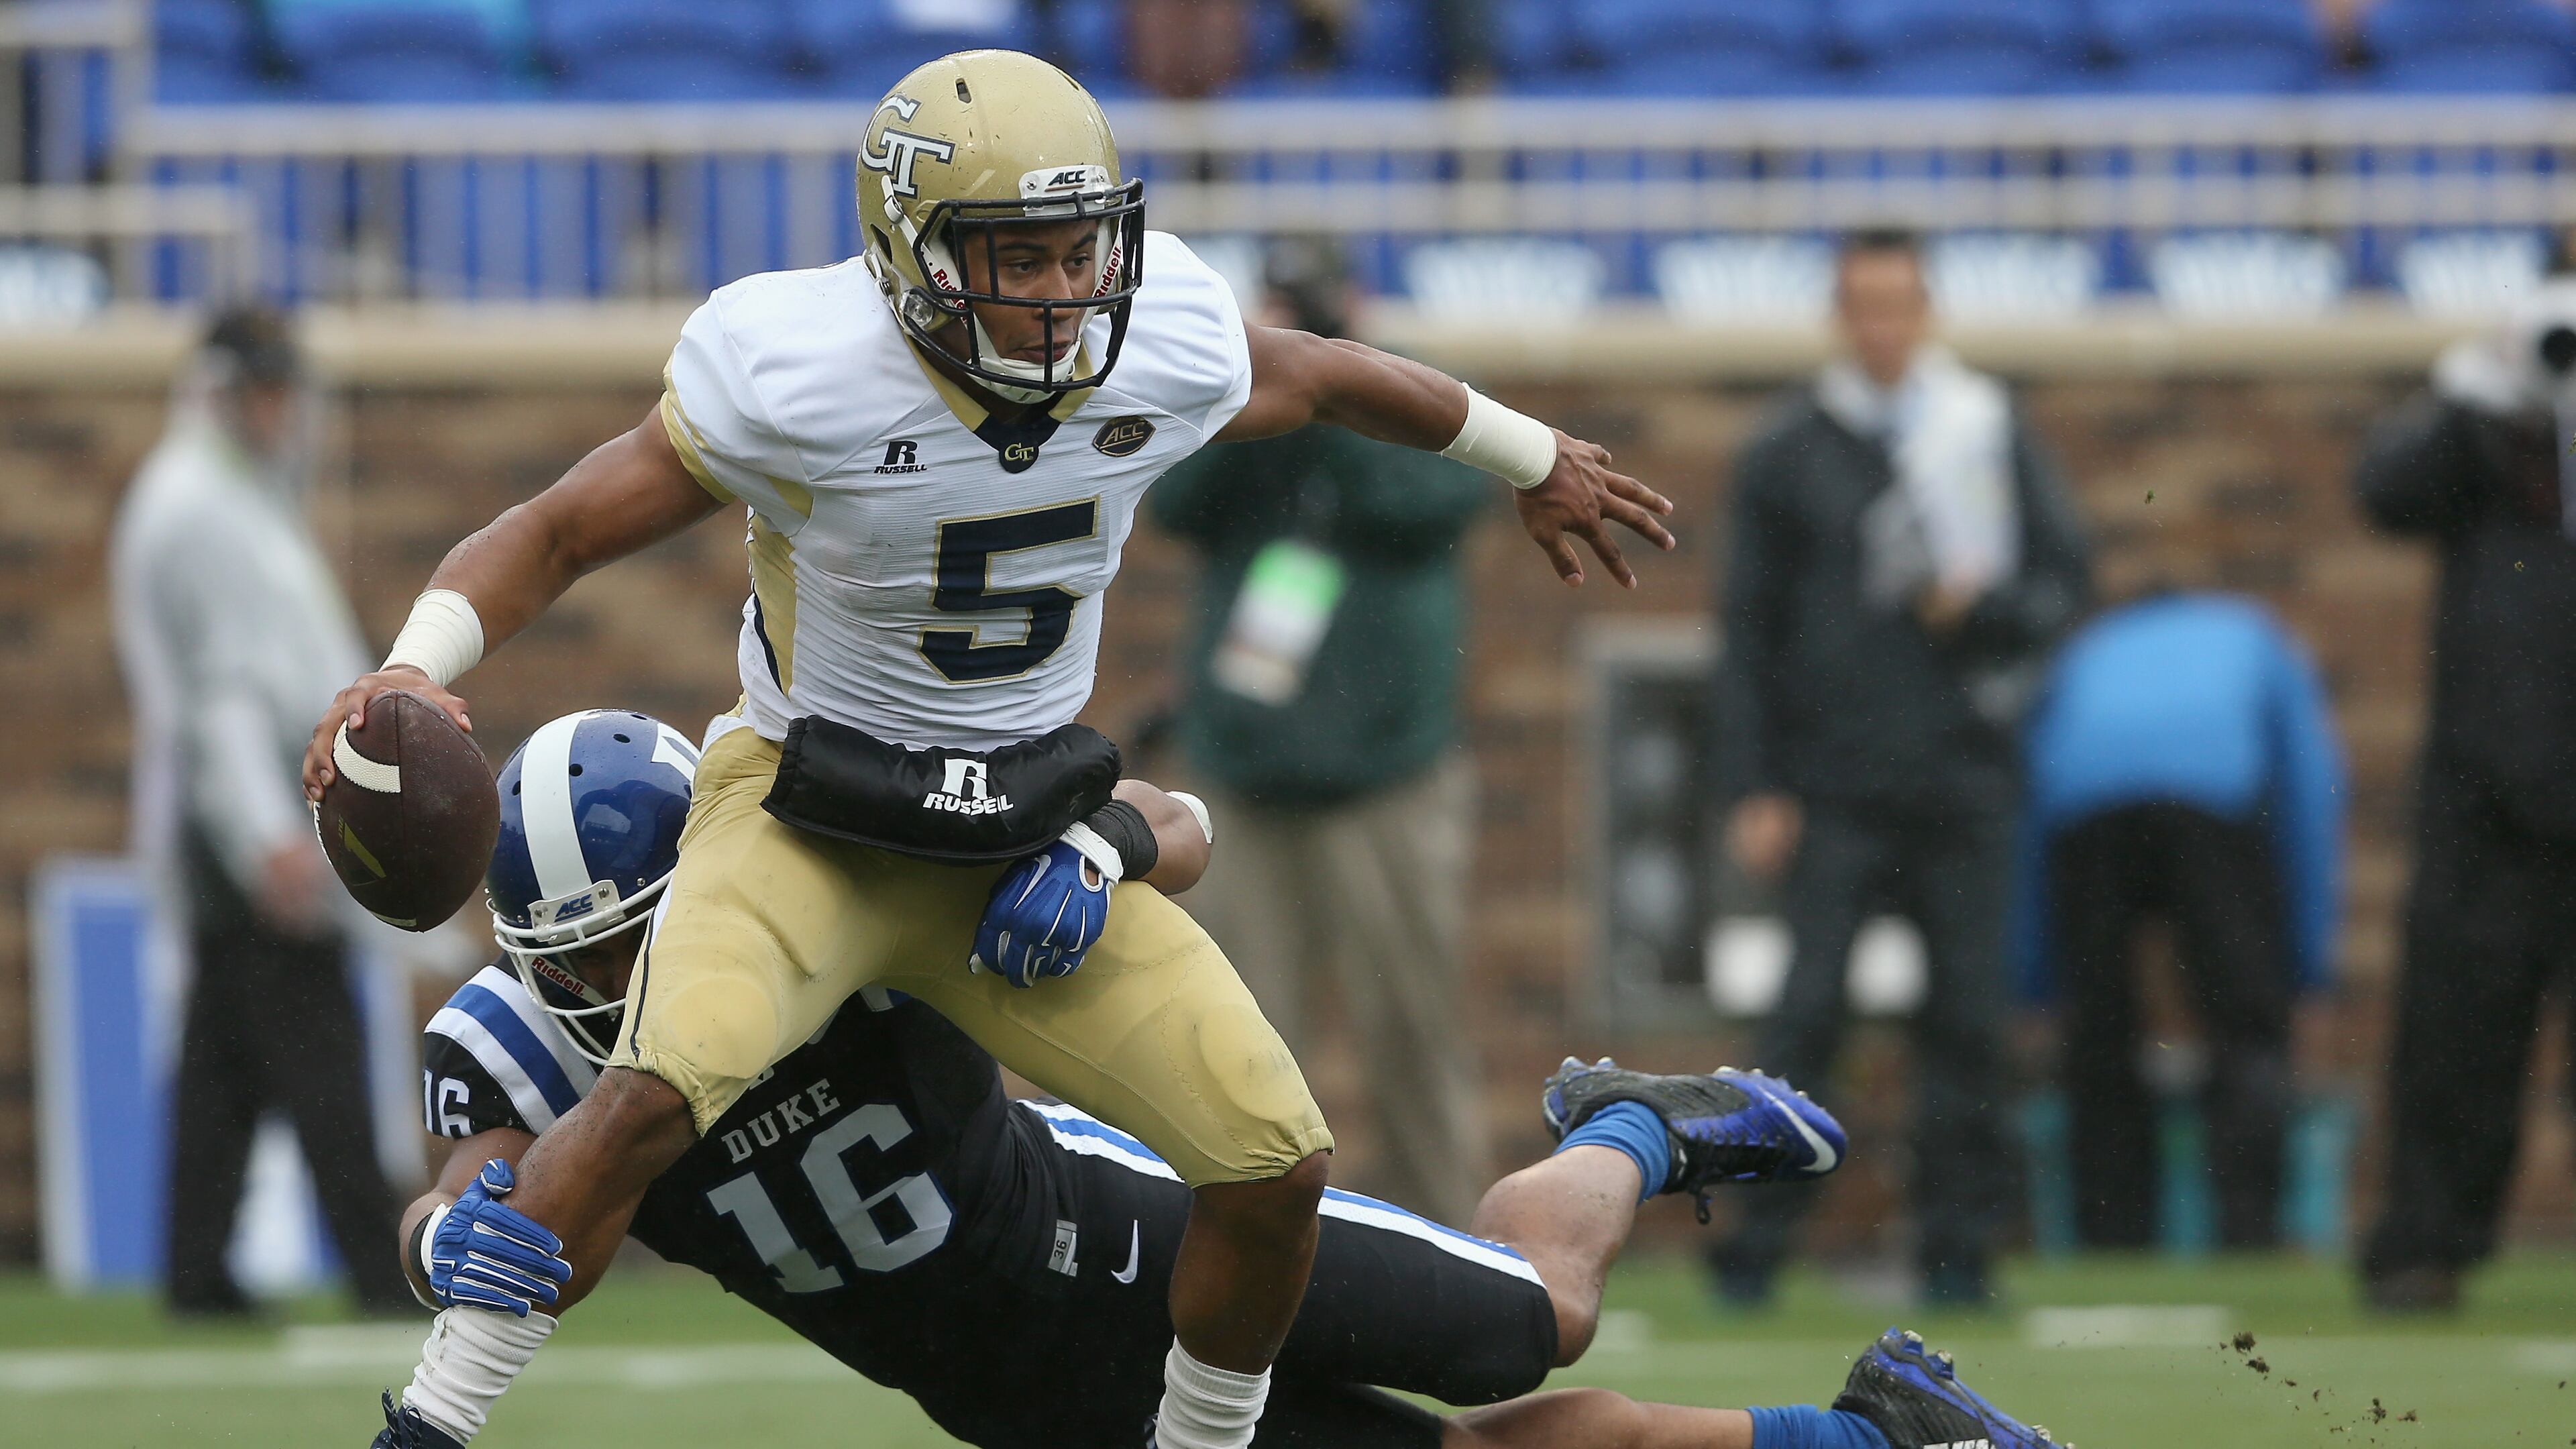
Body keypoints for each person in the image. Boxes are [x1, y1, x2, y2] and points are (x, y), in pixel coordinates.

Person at [299, 50, 1673, 1449]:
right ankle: (427, 1430)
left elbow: (1320, 378)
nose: (1065, 289)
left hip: (1008, 820)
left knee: (1274, 1162)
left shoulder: (1155, 336)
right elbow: (559, 530)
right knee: (649, 1094)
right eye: (1019, 256)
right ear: (910, 257)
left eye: (1082, 247)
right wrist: (416, 662)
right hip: (804, 815)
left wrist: (1532, 455)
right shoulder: (798, 371)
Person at [374, 710, 2067, 1449]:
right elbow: (460, 1197)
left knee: (1529, 1324)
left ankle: (1632, 1123)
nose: (613, 988)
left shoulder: (830, 881)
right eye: (576, 960)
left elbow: (1176, 818)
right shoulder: (515, 1045)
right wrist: (459, 1244)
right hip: (1018, 1397)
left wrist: (1092, 848)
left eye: (638, 943)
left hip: (1144, 1232)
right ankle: (1875, 1433)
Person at [1711, 227, 2092, 1307]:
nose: (1882, 330)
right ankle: (1753, 1250)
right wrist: (1755, 782)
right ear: (1841, 315)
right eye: (1862, 307)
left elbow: (2064, 587)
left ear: (1927, 312)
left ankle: (1962, 1254)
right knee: (1804, 1020)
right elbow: (1749, 632)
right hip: (1833, 785)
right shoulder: (1791, 449)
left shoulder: (1983, 427)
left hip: (1966, 779)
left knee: (1971, 1024)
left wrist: (1987, 611)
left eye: (1899, 305)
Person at [1152, 236, 1492, 1225]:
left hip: (1389, 769)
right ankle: (1226, 1246)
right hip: (1245, 771)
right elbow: (1177, 503)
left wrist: (1335, 383)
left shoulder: (1412, 396)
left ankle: (1462, 1250)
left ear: (1358, 299)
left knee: (1413, 1035)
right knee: (1233, 1039)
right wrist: (1259, 383)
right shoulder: (1239, 397)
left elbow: (1427, 502)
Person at [108, 306, 416, 1319]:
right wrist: (265, 836)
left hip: (243, 812)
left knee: (228, 1059)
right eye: (268, 391)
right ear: (228, 393)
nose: (287, 411)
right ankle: (380, 1266)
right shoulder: (201, 507)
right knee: (316, 1040)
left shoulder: (231, 494)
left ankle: (197, 1273)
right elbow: (223, 696)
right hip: (244, 817)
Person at [2353, 281, 2576, 1312]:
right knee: (2455, 1029)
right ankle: (2425, 1248)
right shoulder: (2488, 426)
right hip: (2486, 786)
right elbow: (2386, 492)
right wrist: (2485, 390)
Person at [2018, 591, 2344, 1251]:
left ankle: (2110, 1239)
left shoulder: (2088, 648)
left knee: (2099, 1034)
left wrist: (2035, 983)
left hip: (2085, 809)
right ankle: (2249, 1233)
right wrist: (2305, 969)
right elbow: (2312, 793)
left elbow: (2028, 815)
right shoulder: (2256, 633)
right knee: (2247, 1026)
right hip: (2213, 797)